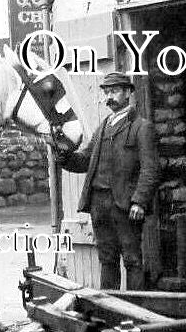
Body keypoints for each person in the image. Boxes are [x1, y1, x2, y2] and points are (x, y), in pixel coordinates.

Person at [55, 72, 159, 290]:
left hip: (125, 205)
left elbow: (150, 169)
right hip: (99, 204)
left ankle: (135, 311)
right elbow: (84, 161)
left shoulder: (142, 127)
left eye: (115, 91)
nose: (109, 96)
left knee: (132, 260)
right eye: (107, 92)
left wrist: (139, 201)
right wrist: (64, 154)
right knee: (107, 259)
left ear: (129, 93)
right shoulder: (103, 127)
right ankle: (109, 308)